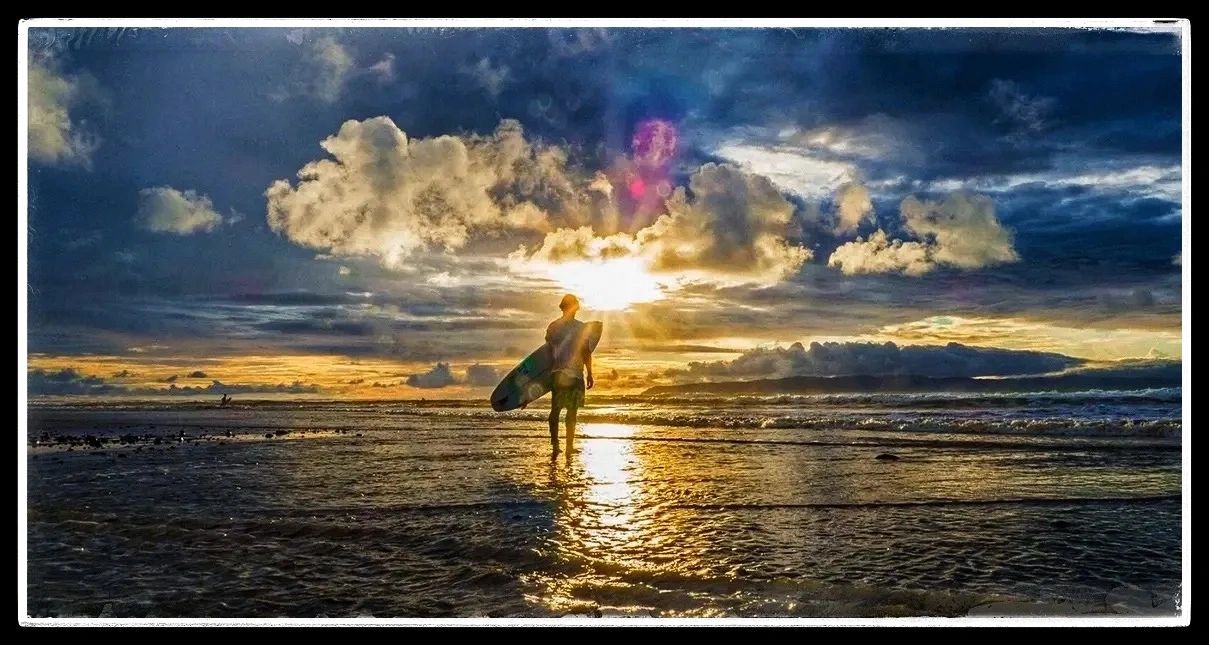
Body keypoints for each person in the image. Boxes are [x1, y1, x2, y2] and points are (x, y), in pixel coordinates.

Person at [545, 294, 594, 456]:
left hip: (563, 373)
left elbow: (546, 352)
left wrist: (589, 373)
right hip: (570, 375)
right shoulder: (579, 328)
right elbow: (586, 352)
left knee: (560, 410)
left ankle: (559, 445)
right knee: (567, 411)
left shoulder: (554, 327)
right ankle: (564, 446)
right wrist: (590, 373)